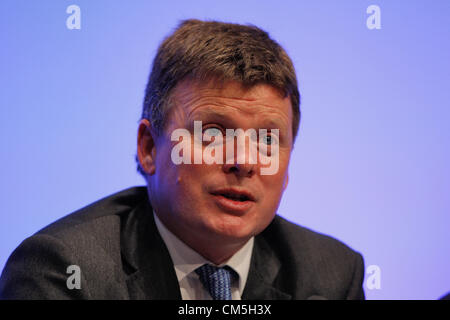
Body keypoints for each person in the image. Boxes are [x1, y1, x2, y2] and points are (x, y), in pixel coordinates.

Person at [0, 19, 365, 300]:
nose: (243, 161)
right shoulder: (63, 271)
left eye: (267, 140)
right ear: (149, 147)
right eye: (213, 133)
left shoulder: (331, 274)